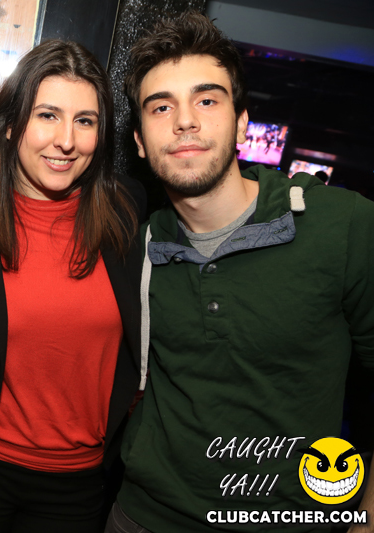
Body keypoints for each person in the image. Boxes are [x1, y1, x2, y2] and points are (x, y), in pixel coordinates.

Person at [106, 12, 374, 533]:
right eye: (161, 107)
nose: (185, 121)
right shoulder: (140, 245)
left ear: (242, 122)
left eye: (207, 101)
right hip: (142, 516)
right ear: (138, 140)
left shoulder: (342, 225)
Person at [0, 39, 143, 533]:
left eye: (85, 121)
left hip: (80, 484)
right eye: (47, 115)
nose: (66, 140)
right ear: (10, 124)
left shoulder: (127, 213)